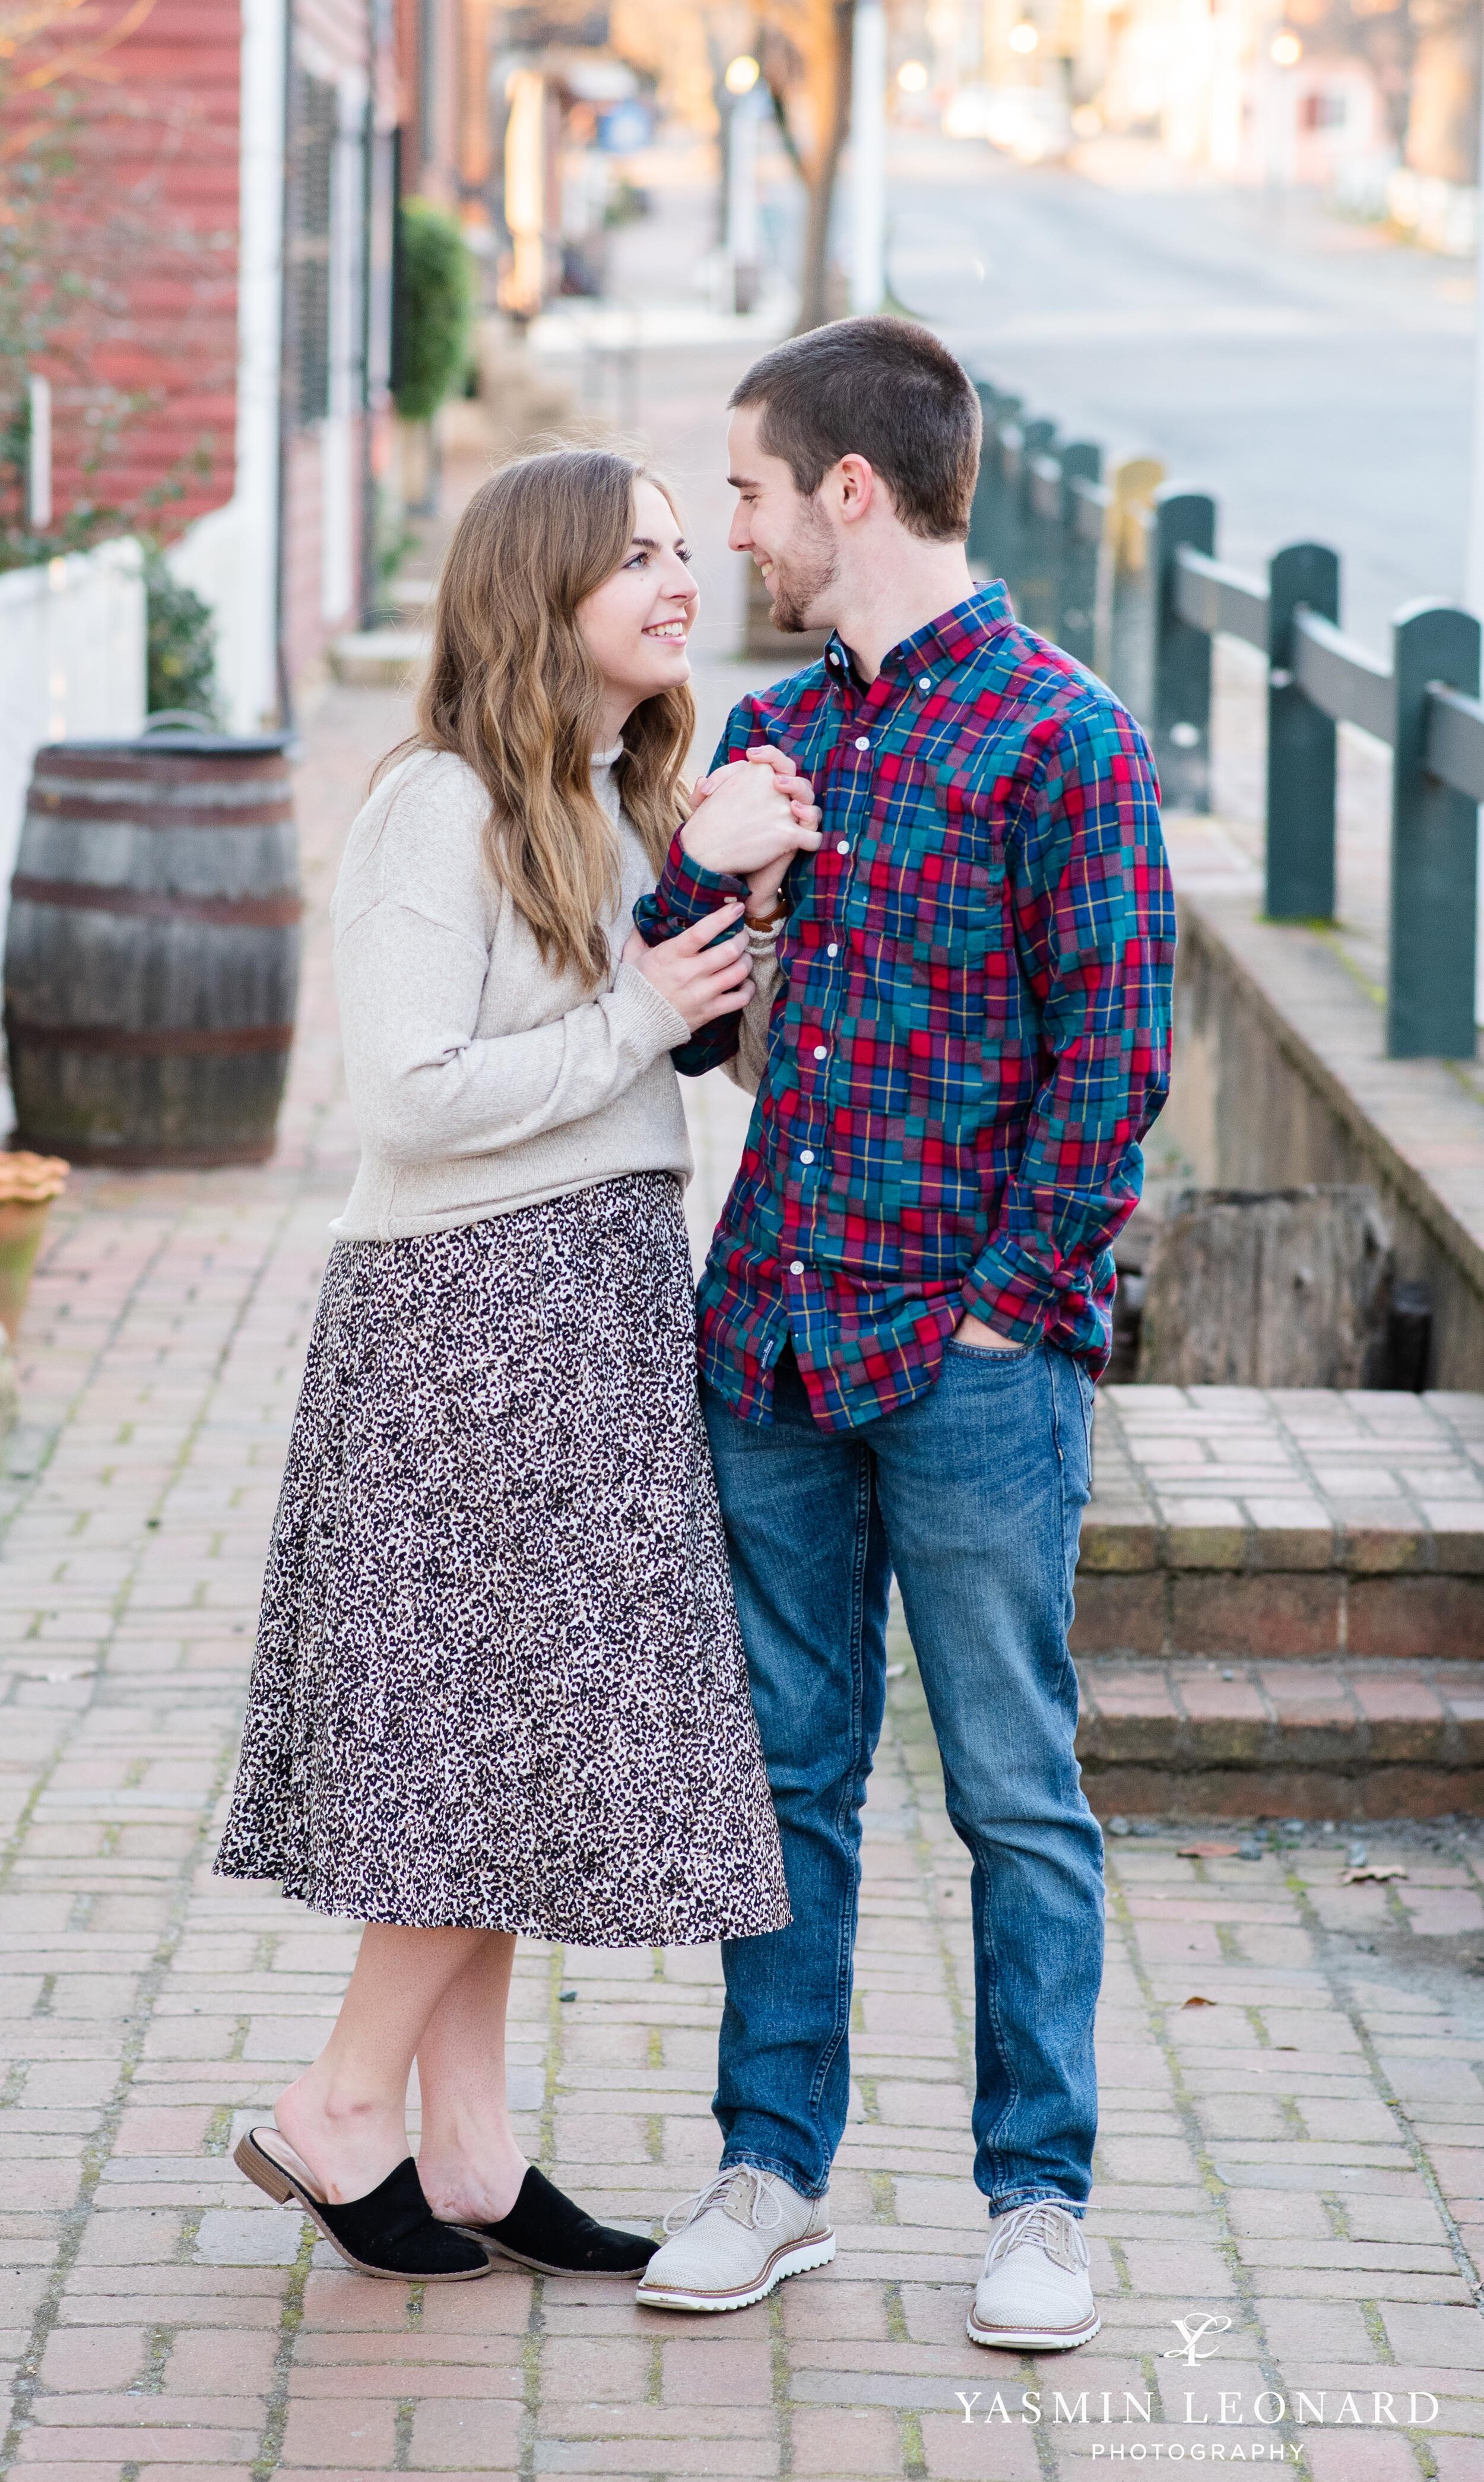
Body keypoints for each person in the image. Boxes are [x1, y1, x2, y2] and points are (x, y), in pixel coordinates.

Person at [213, 447, 823, 2284]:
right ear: (535, 583)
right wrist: (645, 1006)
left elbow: (669, 1056)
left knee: (509, 1744)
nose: (674, 577)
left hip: (597, 1296)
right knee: (480, 1745)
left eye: (676, 548)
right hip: (466, 1319)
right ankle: (340, 2110)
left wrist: (731, 917)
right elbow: (406, 1095)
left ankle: (467, 2151)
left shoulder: (611, 793)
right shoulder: (441, 802)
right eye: (630, 555)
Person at [630, 319, 1175, 2349]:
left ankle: (1034, 2202)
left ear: (849, 492)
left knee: (1013, 1788)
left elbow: (1111, 1063)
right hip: (764, 1339)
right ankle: (770, 2170)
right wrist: (702, 861)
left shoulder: (1062, 736)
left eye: (756, 493)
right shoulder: (793, 740)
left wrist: (999, 1325)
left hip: (964, 1372)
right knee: (786, 1775)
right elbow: (671, 1003)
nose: (742, 535)